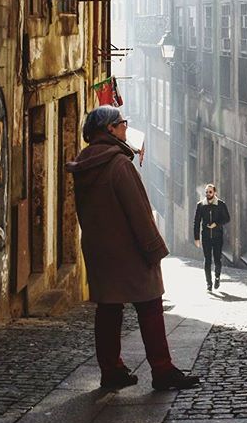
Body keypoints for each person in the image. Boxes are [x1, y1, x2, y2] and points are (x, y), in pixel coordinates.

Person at [66, 105, 200, 391]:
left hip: (99, 249)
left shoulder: (84, 164)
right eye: (122, 123)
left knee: (109, 309)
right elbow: (138, 211)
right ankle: (162, 370)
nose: (126, 128)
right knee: (150, 306)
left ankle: (111, 370)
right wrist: (154, 249)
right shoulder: (118, 165)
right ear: (111, 129)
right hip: (130, 250)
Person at [193, 183, 230, 291]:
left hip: (218, 236)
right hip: (205, 237)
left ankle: (217, 277)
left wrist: (216, 224)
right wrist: (196, 238)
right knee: (207, 260)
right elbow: (196, 222)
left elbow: (227, 218)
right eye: (206, 192)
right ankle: (209, 283)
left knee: (217, 259)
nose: (208, 194)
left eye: (210, 192)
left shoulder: (221, 204)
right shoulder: (200, 205)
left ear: (215, 192)